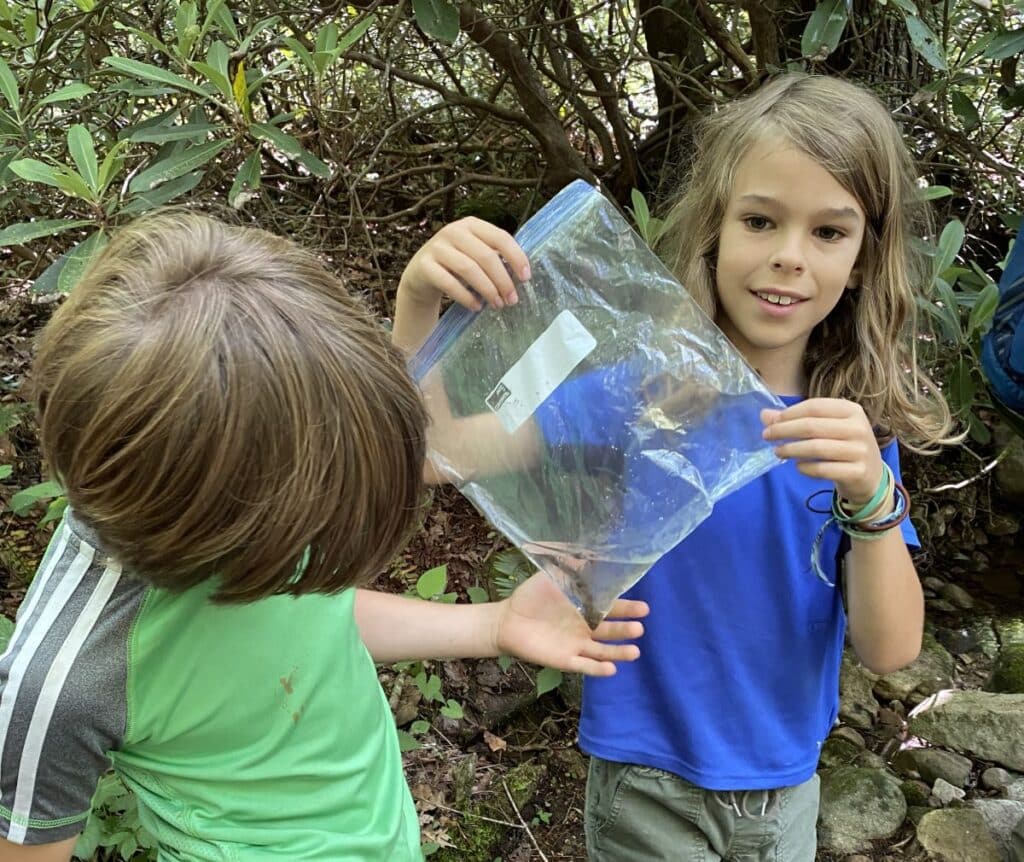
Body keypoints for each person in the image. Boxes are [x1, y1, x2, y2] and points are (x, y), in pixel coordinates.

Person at [393, 73, 960, 861]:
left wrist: (871, 496)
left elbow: (890, 649)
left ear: (865, 257)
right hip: (645, 782)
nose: (788, 257)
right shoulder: (642, 392)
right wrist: (418, 303)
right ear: (714, 230)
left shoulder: (853, 433)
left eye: (830, 232)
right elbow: (434, 451)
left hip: (785, 793)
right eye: (760, 220)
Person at [0, 213, 649, 862]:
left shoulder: (237, 484)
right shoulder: (62, 681)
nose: (323, 530)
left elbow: (302, 620)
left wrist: (493, 624)